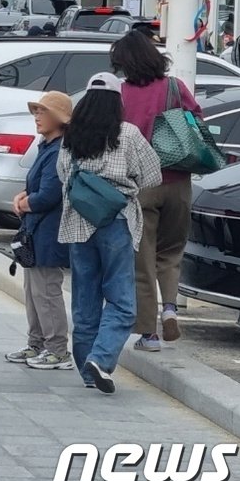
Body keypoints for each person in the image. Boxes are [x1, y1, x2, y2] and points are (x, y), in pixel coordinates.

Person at [57, 73, 162, 394]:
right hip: (116, 220)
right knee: (121, 301)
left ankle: (89, 370)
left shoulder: (71, 135)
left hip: (78, 221)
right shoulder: (128, 134)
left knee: (85, 299)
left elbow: (63, 174)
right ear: (118, 101)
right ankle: (101, 360)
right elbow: (153, 175)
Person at [110, 29, 203, 353]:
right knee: (172, 252)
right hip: (178, 181)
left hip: (141, 187)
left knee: (143, 260)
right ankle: (171, 309)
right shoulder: (175, 87)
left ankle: (148, 334)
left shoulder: (120, 94)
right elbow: (196, 120)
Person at [6, 91, 73, 371]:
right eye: (36, 111)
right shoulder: (46, 146)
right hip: (35, 231)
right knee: (33, 290)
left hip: (49, 232)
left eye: (43, 112)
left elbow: (48, 195)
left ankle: (58, 350)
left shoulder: (58, 150)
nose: (37, 116)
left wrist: (25, 202)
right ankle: (37, 343)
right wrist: (23, 195)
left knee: (46, 291)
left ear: (58, 118)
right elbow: (35, 185)